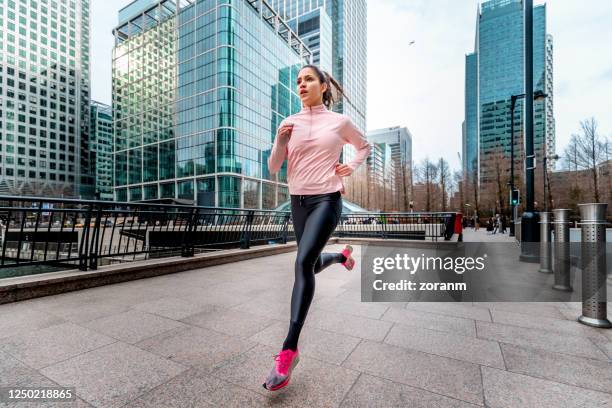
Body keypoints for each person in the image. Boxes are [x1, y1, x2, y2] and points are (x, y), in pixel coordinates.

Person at [263, 64, 371, 391]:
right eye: (298, 81)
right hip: (298, 202)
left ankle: (289, 349)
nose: (302, 84)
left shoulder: (339, 123)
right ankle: (340, 257)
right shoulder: (288, 123)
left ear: (323, 86)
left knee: (301, 263)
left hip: (327, 198)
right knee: (308, 262)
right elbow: (274, 167)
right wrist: (280, 142)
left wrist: (349, 166)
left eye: (308, 79)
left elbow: (364, 146)